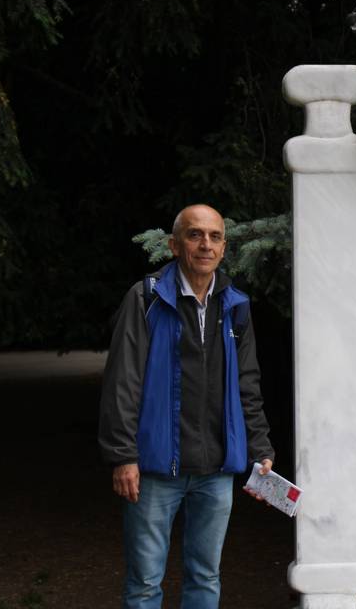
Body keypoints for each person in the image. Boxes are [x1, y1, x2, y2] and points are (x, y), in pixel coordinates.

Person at [99, 203, 274, 609]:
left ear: (224, 248)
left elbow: (248, 383)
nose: (205, 244)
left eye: (214, 236)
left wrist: (260, 447)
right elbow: (122, 382)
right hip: (156, 469)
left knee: (206, 577)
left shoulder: (235, 305)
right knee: (144, 582)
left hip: (216, 472)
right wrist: (123, 455)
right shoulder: (146, 299)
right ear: (175, 245)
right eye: (195, 235)